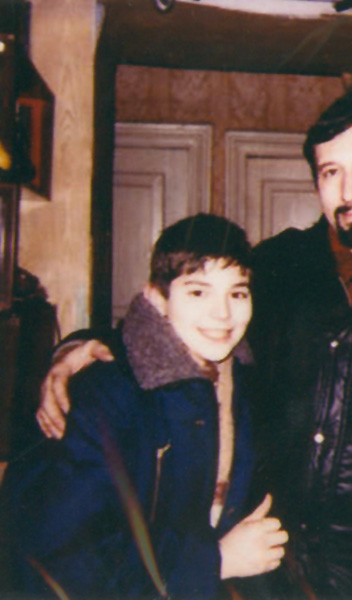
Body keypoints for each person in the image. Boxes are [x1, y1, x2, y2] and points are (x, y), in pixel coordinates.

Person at [34, 91, 352, 599]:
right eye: (331, 172)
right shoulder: (278, 267)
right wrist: (81, 347)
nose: (350, 190)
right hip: (270, 578)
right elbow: (183, 323)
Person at [3, 214, 288, 599]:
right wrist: (215, 561)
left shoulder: (246, 380)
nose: (222, 314)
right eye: (198, 292)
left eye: (237, 293)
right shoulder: (104, 393)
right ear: (157, 299)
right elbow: (68, 551)